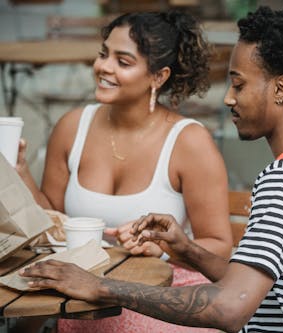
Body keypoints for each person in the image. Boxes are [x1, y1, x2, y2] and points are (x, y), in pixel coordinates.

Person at [20, 6, 283, 333]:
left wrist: (99, 286)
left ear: (281, 88)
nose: (228, 98)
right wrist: (185, 248)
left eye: (238, 84)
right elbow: (246, 282)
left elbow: (229, 308)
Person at [16, 11, 232, 333]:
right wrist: (19, 171)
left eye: (123, 61)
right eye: (104, 54)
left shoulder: (189, 142)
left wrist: (164, 247)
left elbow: (219, 246)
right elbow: (54, 223)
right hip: (85, 298)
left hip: (165, 296)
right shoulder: (72, 127)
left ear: (158, 77)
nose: (104, 67)